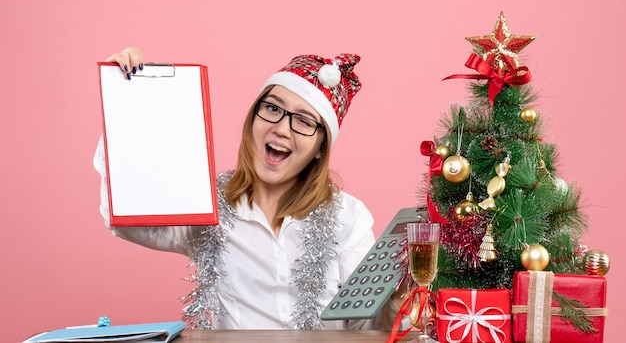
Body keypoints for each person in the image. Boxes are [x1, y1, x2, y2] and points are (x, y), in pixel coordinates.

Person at [94, 47, 408, 330]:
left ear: (319, 148)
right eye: (273, 108)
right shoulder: (206, 201)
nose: (282, 128)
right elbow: (128, 220)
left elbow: (364, 325)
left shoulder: (348, 217)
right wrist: (125, 105)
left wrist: (397, 309)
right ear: (252, 119)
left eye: (304, 121)